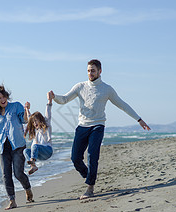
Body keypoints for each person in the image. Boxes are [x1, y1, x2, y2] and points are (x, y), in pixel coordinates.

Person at [47, 59, 150, 200]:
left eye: (93, 70)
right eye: (88, 70)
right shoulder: (80, 86)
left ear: (100, 71)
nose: (90, 73)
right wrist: (54, 97)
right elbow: (64, 99)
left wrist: (139, 119)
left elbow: (122, 105)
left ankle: (90, 187)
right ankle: (89, 175)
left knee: (92, 155)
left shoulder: (107, 89)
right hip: (82, 126)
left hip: (97, 126)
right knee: (75, 158)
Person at [23, 96, 53, 175]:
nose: (35, 123)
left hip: (47, 151)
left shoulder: (46, 126)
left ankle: (32, 160)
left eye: (36, 121)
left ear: (41, 120)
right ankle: (33, 166)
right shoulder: (35, 131)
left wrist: (49, 101)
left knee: (35, 146)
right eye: (33, 122)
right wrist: (27, 109)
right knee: (25, 151)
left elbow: (48, 112)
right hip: (39, 155)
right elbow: (30, 117)